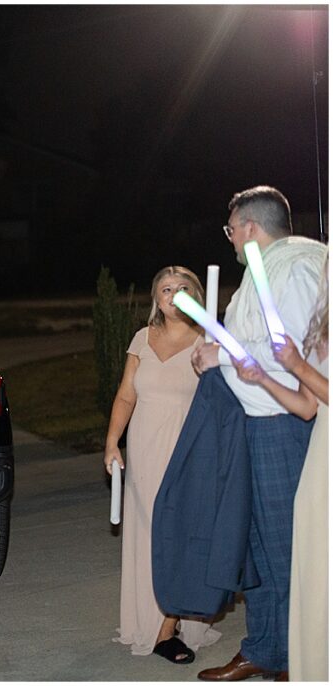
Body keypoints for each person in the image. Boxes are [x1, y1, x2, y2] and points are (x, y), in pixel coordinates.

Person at [192, 186, 327, 681]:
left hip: (282, 424)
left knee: (286, 546)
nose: (229, 240)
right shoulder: (264, 268)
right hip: (256, 420)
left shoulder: (291, 267)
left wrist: (221, 355)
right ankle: (264, 648)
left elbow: (286, 354)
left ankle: (299, 657)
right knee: (258, 544)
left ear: (250, 227)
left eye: (231, 229)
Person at [104, 266, 220, 663]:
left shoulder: (210, 339)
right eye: (165, 289)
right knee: (151, 534)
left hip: (190, 450)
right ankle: (156, 620)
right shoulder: (142, 338)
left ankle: (166, 628)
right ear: (156, 299)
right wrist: (111, 443)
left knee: (182, 535)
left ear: (196, 294)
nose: (172, 295)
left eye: (181, 288)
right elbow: (125, 397)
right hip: (146, 449)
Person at [231, 257, 328, 682]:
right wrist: (262, 378)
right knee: (309, 563)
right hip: (319, 458)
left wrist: (294, 364)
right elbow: (308, 406)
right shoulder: (319, 327)